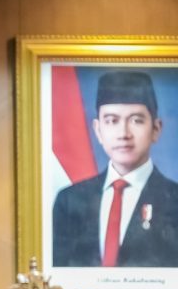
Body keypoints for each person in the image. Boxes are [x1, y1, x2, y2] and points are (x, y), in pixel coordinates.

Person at [52, 69, 178, 269]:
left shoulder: (174, 200)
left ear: (156, 129)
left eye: (136, 120)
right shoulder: (69, 201)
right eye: (112, 121)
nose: (123, 133)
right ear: (98, 130)